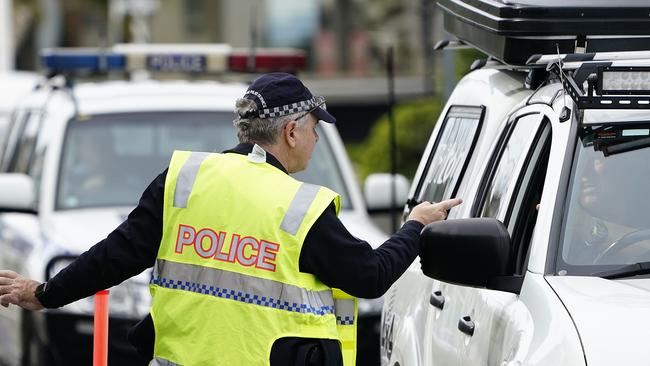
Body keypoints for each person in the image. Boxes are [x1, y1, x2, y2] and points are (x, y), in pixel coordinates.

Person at [0, 72, 462, 366]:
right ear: (291, 130)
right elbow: (370, 276)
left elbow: (116, 254)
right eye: (315, 129)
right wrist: (416, 226)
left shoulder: (185, 179)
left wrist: (45, 293)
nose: (317, 140)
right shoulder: (301, 207)